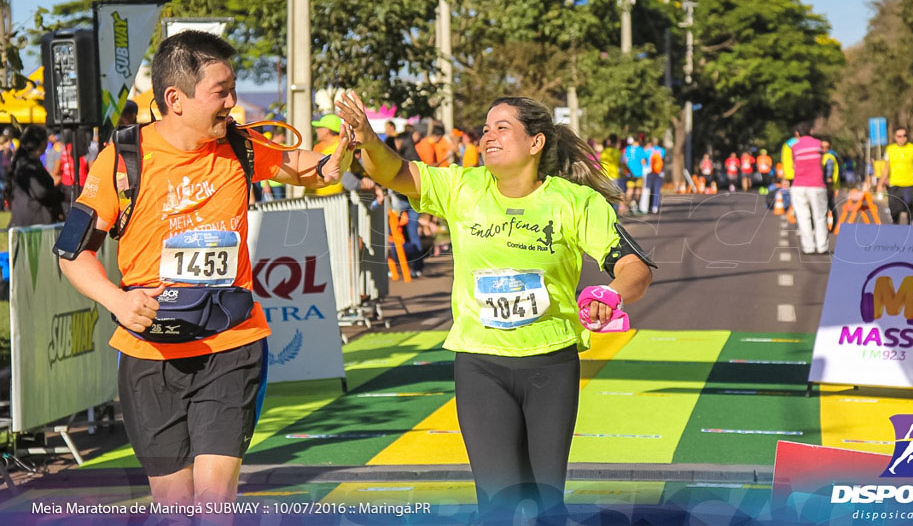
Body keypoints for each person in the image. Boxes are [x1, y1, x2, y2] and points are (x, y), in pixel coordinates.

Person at [56, 31, 350, 508]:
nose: (233, 103)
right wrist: (117, 299)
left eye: (232, 90)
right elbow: (72, 253)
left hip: (230, 344)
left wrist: (343, 153)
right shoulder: (124, 159)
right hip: (150, 352)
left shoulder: (241, 146)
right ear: (175, 98)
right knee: (174, 505)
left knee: (215, 502)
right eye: (221, 92)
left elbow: (310, 168)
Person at [334, 92, 654, 522]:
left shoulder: (574, 202)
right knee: (498, 504)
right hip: (481, 364)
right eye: (485, 128)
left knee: (546, 504)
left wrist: (610, 294)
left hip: (550, 364)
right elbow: (394, 172)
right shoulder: (463, 187)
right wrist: (369, 142)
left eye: (502, 127)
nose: (488, 136)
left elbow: (635, 267)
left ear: (535, 143)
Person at [4, 125, 65, 226]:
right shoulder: (27, 164)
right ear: (42, 142)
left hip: (27, 217)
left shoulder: (24, 160)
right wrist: (57, 196)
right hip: (32, 221)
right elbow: (40, 191)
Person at [783, 124, 829, 254]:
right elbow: (823, 161)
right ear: (812, 131)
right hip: (817, 185)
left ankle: (808, 247)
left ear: (797, 133)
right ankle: (822, 247)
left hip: (799, 185)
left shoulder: (794, 146)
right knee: (820, 217)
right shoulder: (818, 144)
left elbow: (794, 164)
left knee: (803, 217)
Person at [876, 127, 913, 224]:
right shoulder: (890, 149)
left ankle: (911, 230)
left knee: (911, 208)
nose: (902, 138)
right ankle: (896, 230)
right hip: (895, 185)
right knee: (895, 211)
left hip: (910, 184)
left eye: (904, 136)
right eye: (899, 136)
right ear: (895, 137)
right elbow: (886, 169)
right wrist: (880, 184)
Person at [308, 113, 343, 196]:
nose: (316, 130)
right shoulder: (320, 147)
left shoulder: (338, 148)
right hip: (320, 197)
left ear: (327, 130)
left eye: (319, 127)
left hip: (333, 198)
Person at [820, 138, 841, 231]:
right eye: (822, 147)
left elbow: (829, 170)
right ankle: (832, 226)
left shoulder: (828, 156)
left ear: (830, 147)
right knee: (830, 205)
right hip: (829, 185)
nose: (824, 149)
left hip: (828, 185)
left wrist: (829, 178)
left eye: (826, 147)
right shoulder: (826, 156)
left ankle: (830, 227)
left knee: (826, 205)